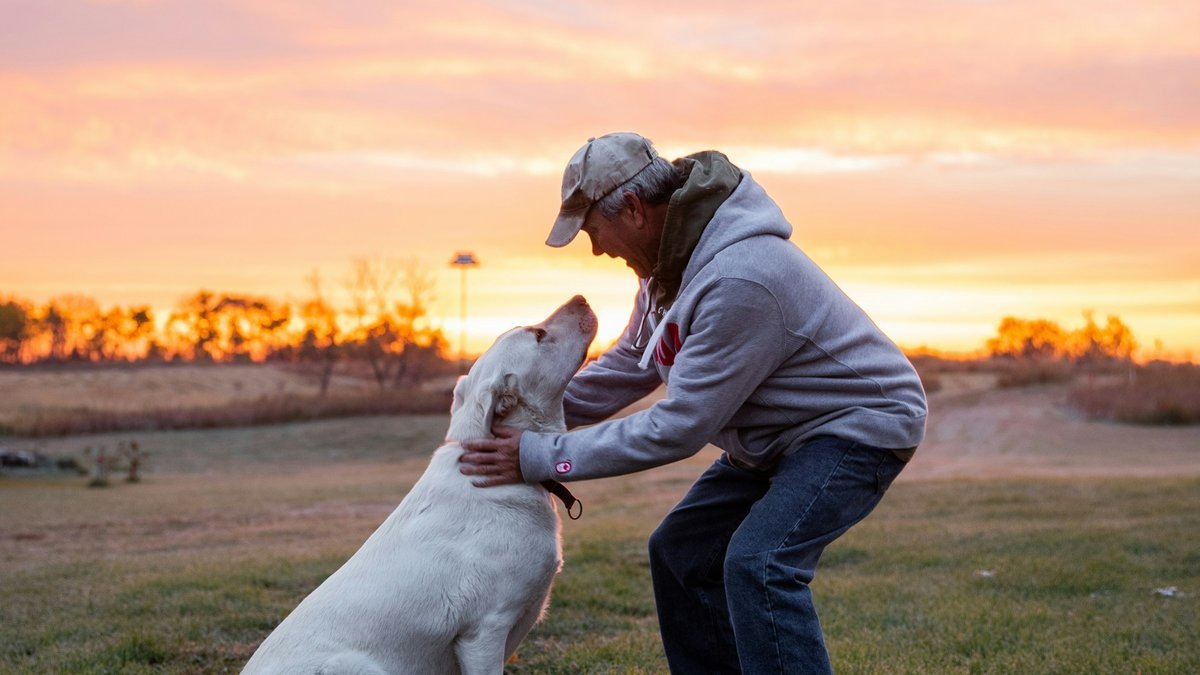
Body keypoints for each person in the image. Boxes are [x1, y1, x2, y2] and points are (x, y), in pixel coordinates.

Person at [459, 132, 927, 674]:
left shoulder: (740, 279)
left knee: (760, 564)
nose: (597, 249)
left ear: (632, 209)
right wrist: (524, 413)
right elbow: (632, 363)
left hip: (857, 427)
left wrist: (541, 455)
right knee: (680, 551)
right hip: (777, 437)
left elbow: (679, 426)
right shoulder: (667, 269)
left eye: (591, 230)